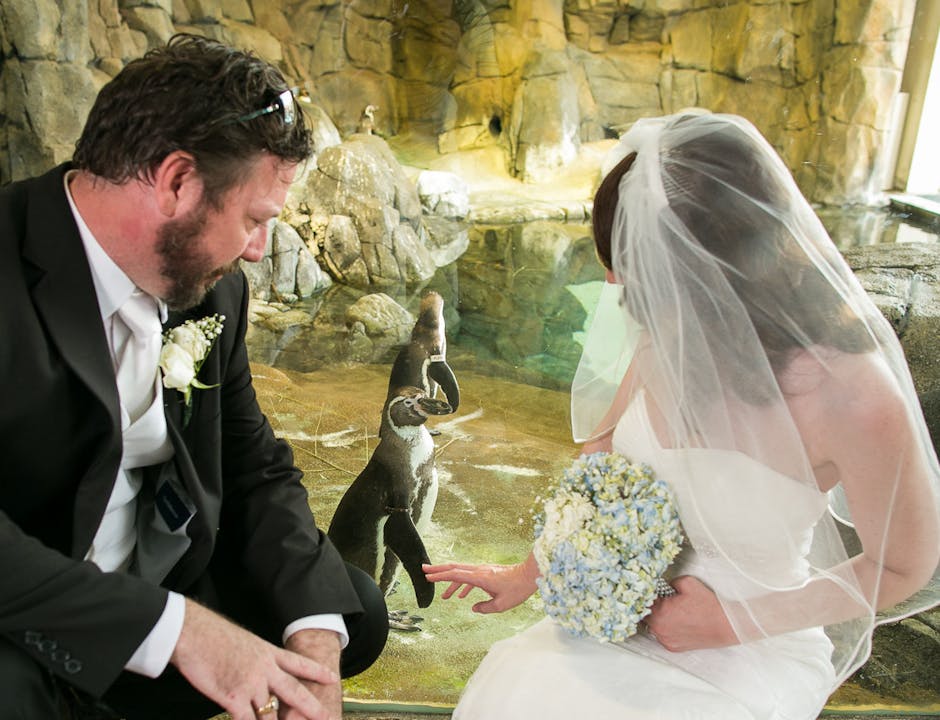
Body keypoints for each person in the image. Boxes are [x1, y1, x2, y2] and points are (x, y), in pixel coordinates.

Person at [424, 111, 940, 719]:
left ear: (714, 268)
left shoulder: (854, 394)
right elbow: (601, 454)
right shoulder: (673, 329)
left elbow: (906, 564)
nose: (619, 287)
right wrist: (533, 571)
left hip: (752, 648)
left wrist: (732, 621)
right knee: (520, 685)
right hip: (615, 622)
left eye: (637, 272)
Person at [0, 33, 389, 720]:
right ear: (178, 182)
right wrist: (176, 630)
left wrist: (314, 635)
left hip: (158, 588)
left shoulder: (213, 292)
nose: (260, 250)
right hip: (28, 615)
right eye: (254, 219)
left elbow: (252, 464)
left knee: (348, 608)